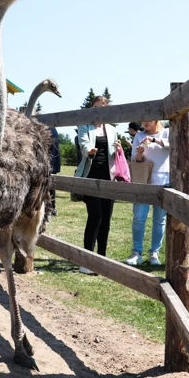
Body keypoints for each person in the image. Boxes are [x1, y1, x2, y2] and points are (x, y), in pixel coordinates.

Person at [75, 96, 120, 274]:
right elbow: (84, 144)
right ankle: (87, 261)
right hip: (90, 177)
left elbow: (114, 154)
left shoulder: (112, 129)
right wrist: (89, 151)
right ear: (91, 109)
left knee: (106, 220)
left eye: (102, 107)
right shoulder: (84, 126)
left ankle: (101, 259)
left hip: (108, 178)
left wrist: (118, 148)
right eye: (95, 107)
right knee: (95, 217)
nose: (98, 110)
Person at [126, 120, 170, 266]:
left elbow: (172, 145)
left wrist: (154, 140)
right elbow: (135, 159)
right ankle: (136, 252)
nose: (145, 122)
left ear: (157, 119)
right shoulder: (138, 136)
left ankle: (154, 253)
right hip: (143, 181)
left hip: (163, 181)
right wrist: (139, 154)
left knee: (159, 220)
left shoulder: (167, 132)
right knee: (139, 217)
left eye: (148, 119)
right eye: (143, 120)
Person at [49, 126, 61, 216]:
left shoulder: (48, 129)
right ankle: (53, 207)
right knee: (51, 186)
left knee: (50, 186)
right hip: (53, 161)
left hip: (49, 161)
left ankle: (52, 208)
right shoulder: (53, 129)